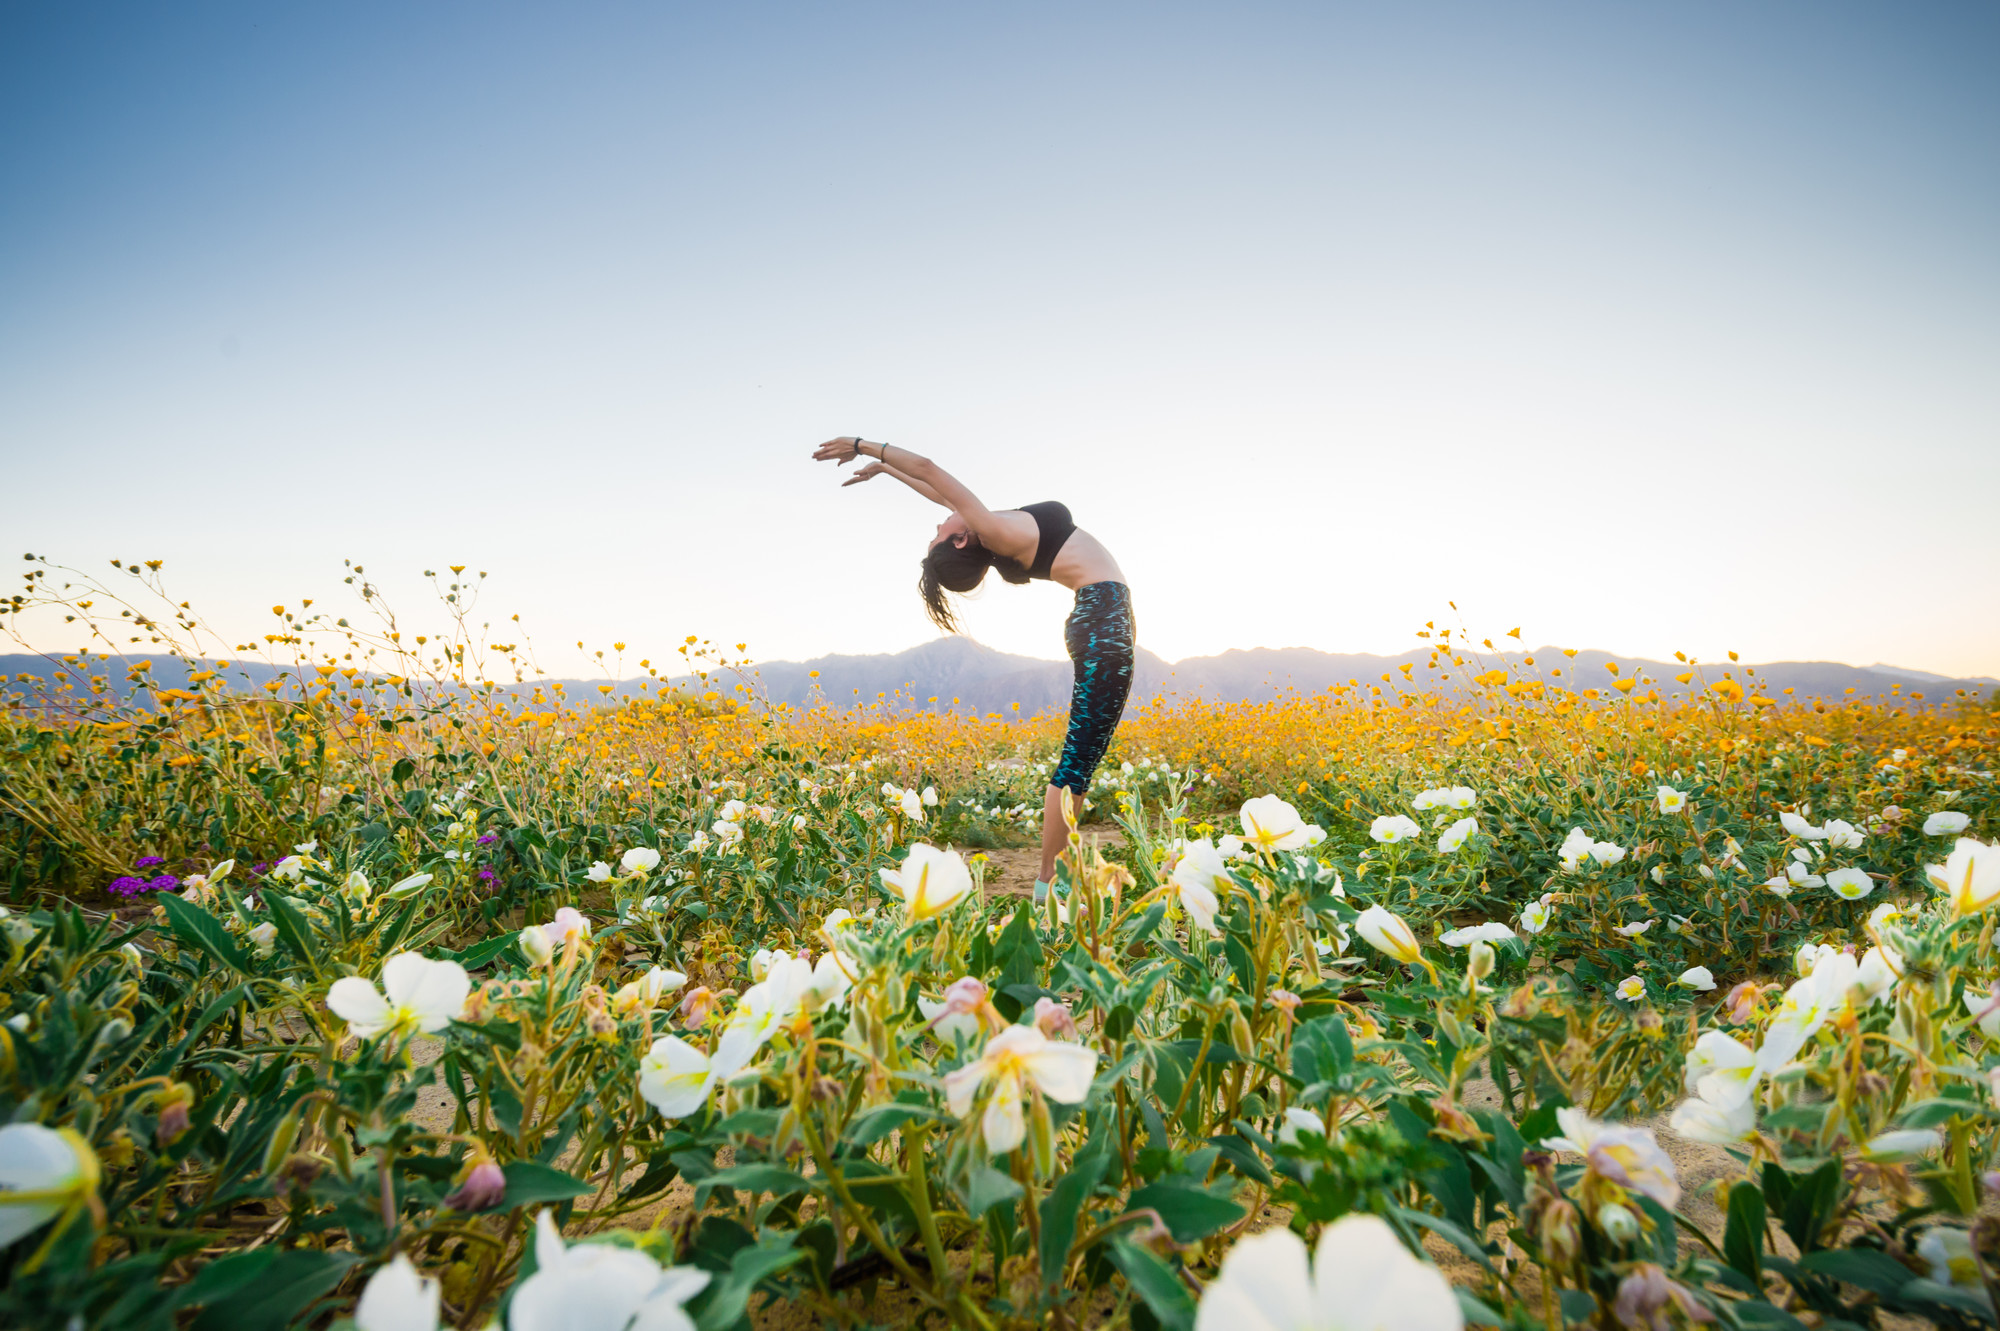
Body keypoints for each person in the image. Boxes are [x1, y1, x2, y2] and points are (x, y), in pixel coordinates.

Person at [812, 435, 1134, 896]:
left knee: (1080, 760)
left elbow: (939, 492)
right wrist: (864, 446)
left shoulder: (990, 529)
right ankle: (1050, 884)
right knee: (1077, 763)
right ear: (962, 539)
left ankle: (1054, 881)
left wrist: (884, 471)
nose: (939, 521)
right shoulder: (993, 531)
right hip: (1104, 622)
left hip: (1101, 618)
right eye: (939, 533)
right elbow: (929, 468)